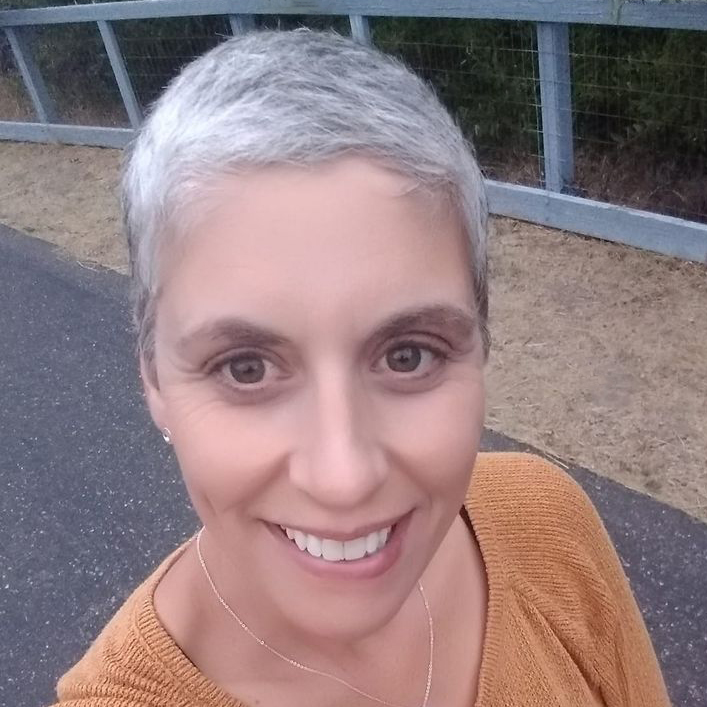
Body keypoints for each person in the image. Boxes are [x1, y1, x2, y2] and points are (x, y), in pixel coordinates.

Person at [51, 29, 671, 707]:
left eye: (408, 355)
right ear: (153, 379)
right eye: (246, 368)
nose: (344, 479)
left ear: (482, 344)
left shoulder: (547, 526)